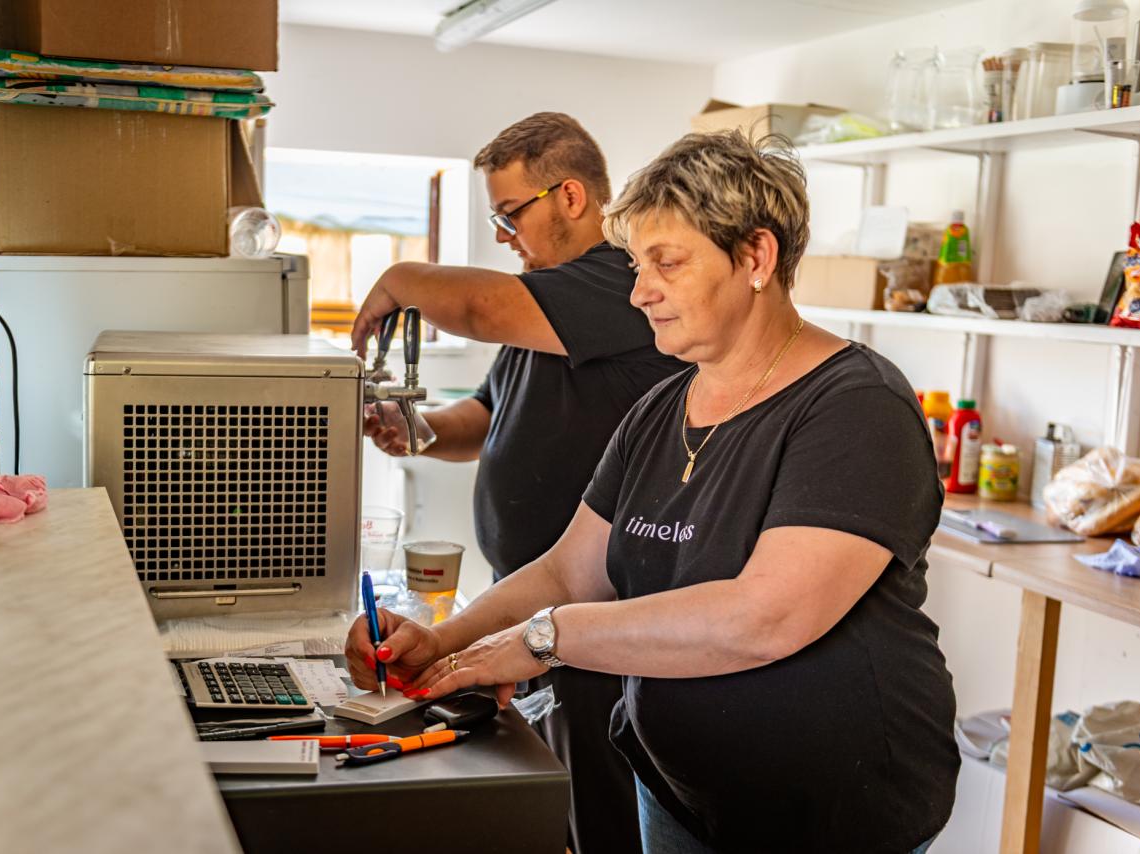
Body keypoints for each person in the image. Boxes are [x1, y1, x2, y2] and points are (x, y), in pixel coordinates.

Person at [346, 129, 960, 854]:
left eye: (666, 263)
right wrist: (443, 642)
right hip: (676, 788)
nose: (639, 292)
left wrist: (546, 639)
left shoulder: (856, 406)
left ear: (756, 258)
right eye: (638, 266)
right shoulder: (660, 409)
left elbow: (764, 618)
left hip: (830, 811)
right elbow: (568, 572)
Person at [350, 113, 684, 854]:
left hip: (595, 608)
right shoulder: (545, 309)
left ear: (570, 196)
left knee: (602, 815)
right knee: (553, 803)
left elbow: (477, 304)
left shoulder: (618, 282)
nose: (505, 238)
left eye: (510, 216)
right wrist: (417, 430)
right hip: (526, 601)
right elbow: (486, 415)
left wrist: (400, 280)